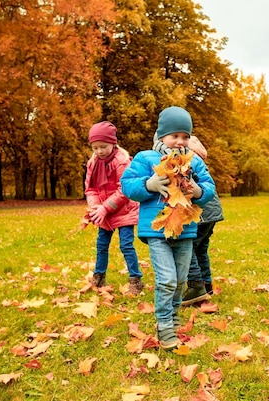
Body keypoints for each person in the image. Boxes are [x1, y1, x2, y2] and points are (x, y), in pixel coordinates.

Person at [120, 106, 216, 349]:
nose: (180, 141)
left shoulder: (193, 161)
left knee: (181, 279)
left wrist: (199, 191)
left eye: (185, 136)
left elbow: (209, 186)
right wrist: (148, 184)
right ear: (161, 136)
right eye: (175, 136)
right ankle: (164, 327)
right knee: (166, 279)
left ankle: (173, 318)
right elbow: (127, 185)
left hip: (185, 230)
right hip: (157, 231)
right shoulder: (145, 158)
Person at [84, 121, 144, 296]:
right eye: (95, 147)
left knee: (126, 245)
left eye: (103, 146)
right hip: (104, 211)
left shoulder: (121, 161)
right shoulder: (93, 163)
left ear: (113, 143)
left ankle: (135, 279)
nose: (99, 151)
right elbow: (91, 188)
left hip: (123, 209)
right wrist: (96, 208)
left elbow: (125, 190)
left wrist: (105, 207)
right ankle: (99, 275)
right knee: (101, 244)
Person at [181, 136, 224, 306]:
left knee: (189, 246)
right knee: (201, 249)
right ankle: (207, 284)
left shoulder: (189, 162)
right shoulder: (202, 164)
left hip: (201, 214)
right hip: (212, 215)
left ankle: (196, 284)